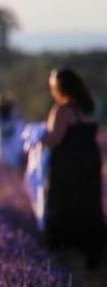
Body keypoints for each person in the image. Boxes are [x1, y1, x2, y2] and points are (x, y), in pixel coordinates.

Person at [39, 68, 104, 268]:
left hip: (68, 167)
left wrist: (37, 136)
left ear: (59, 88)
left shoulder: (62, 110)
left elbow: (53, 139)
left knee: (63, 208)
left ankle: (63, 259)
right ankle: (92, 258)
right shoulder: (89, 108)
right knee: (88, 206)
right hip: (90, 165)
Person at [0, 91, 25, 168]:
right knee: (5, 161)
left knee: (7, 161)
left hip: (10, 142)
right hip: (5, 142)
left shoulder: (14, 115)